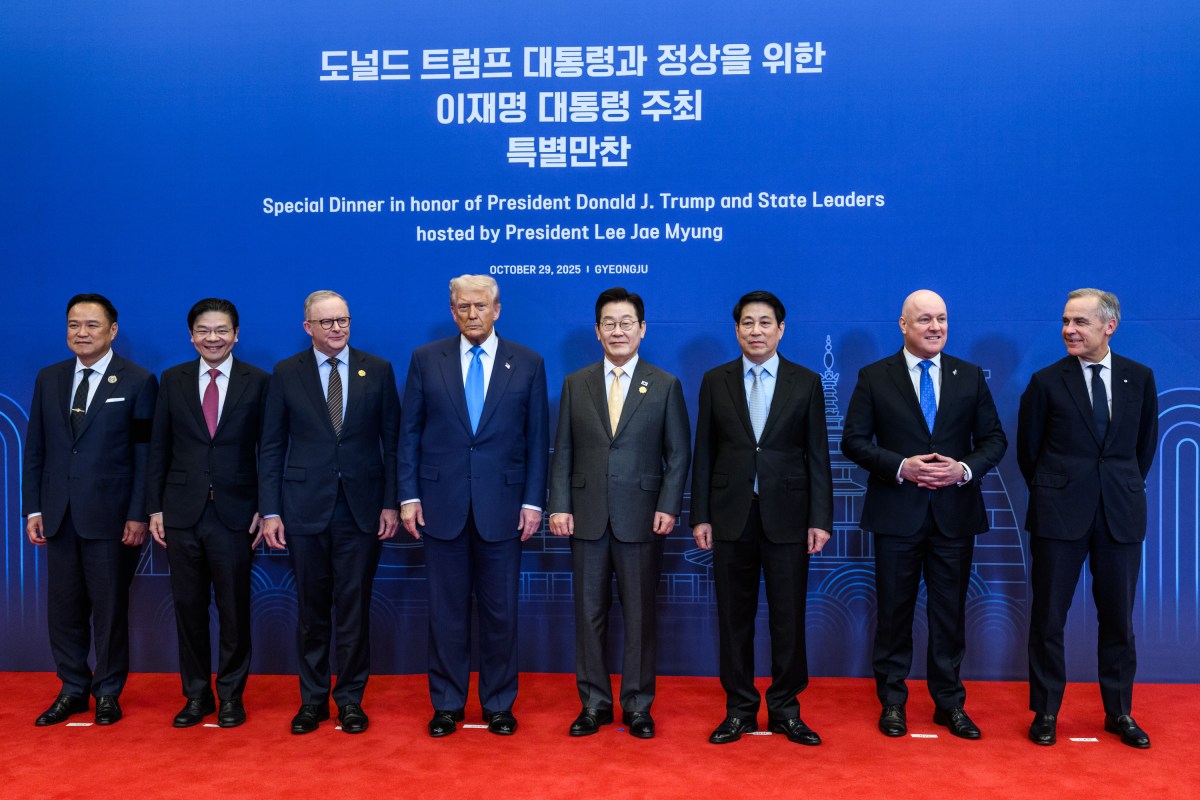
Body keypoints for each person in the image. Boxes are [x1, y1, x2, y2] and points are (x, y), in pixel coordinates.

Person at [841, 289, 1007, 739]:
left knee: (949, 616)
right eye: (925, 320)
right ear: (903, 325)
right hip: (897, 515)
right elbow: (853, 440)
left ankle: (949, 703)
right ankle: (892, 702)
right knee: (894, 614)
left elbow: (994, 440)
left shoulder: (969, 376)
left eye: (942, 319)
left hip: (955, 515)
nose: (935, 327)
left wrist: (964, 469)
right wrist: (900, 465)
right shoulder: (875, 376)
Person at [400, 274, 549, 738]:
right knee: (445, 613)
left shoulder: (527, 362)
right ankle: (447, 703)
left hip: (503, 508)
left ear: (497, 309)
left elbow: (538, 438)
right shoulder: (427, 360)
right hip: (440, 506)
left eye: (480, 306)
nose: (471, 315)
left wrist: (532, 501)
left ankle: (499, 704)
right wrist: (408, 495)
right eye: (463, 307)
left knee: (501, 612)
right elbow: (409, 433)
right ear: (452, 310)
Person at [689, 290, 833, 746]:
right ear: (736, 330)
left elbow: (817, 457)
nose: (756, 331)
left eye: (765, 322)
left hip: (789, 517)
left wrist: (821, 518)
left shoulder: (805, 382)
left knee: (788, 618)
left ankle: (787, 709)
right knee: (734, 619)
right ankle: (740, 710)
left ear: (781, 329)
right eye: (747, 323)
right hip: (730, 517)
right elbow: (704, 453)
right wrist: (700, 515)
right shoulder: (715, 380)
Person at [548, 287, 691, 739]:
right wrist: (559, 505)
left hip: (642, 517)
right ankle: (593, 703)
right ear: (597, 331)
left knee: (639, 616)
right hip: (586, 518)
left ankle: (637, 705)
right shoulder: (576, 383)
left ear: (643, 329)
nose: (618, 330)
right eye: (609, 323)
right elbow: (563, 452)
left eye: (627, 322)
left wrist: (668, 505)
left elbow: (679, 454)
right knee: (588, 614)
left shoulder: (665, 384)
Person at [1018, 288, 1158, 748]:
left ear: (1108, 327)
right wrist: (1060, 490)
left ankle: (1119, 712)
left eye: (1079, 322)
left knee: (1118, 620)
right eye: (1065, 322)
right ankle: (1046, 711)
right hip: (1059, 518)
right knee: (1048, 618)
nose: (1069, 331)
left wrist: (1115, 487)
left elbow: (1142, 449)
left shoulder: (1139, 378)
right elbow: (1028, 453)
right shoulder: (1045, 382)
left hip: (1119, 516)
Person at [258, 290, 401, 735]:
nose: (337, 328)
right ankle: (313, 701)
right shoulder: (286, 373)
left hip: (361, 510)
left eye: (343, 320)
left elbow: (393, 444)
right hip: (303, 510)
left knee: (354, 609)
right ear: (308, 328)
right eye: (326, 322)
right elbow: (271, 446)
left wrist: (390, 502)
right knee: (312, 610)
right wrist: (270, 511)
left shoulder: (377, 370)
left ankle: (351, 700)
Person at [23, 293, 158, 726]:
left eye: (91, 325)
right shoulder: (50, 378)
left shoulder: (138, 381)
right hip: (58, 514)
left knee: (110, 610)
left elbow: (145, 455)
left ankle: (108, 691)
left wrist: (138, 513)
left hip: (113, 518)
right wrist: (32, 509)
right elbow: (36, 449)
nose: (81, 333)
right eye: (73, 325)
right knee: (64, 610)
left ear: (112, 331)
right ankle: (72, 688)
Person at [147, 298, 269, 728]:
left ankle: (232, 695)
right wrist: (155, 507)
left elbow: (268, 451)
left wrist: (265, 507)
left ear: (236, 335)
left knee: (235, 609)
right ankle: (196, 695)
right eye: (204, 330)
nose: (212, 338)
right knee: (189, 607)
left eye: (221, 331)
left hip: (236, 514)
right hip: (181, 512)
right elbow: (158, 449)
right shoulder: (172, 380)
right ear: (191, 335)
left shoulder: (259, 381)